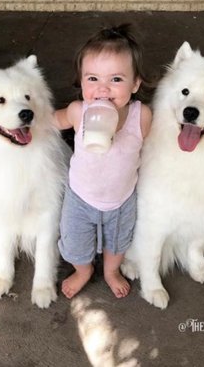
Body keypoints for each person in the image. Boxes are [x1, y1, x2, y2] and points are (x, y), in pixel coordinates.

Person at [54, 24, 152, 299]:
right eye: (93, 78)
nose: (103, 89)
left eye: (116, 80)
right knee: (75, 243)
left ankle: (110, 271)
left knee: (117, 244)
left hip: (121, 200)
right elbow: (51, 121)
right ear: (81, 82)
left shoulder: (140, 116)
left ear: (135, 84)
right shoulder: (77, 112)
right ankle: (83, 270)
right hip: (80, 197)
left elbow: (158, 144)